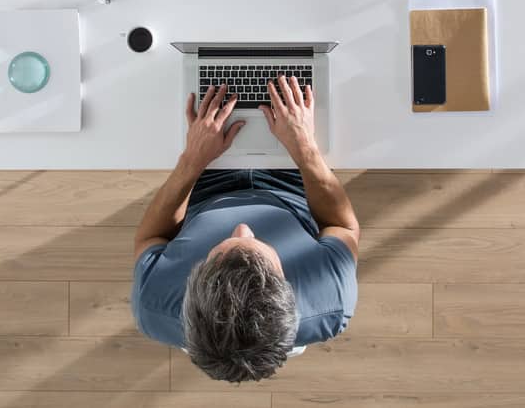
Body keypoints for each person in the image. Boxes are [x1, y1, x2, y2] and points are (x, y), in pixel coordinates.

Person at [131, 75, 360, 383]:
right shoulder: (329, 301)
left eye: (219, 249)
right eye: (259, 242)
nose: (242, 228)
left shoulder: (154, 304)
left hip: (203, 183)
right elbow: (340, 224)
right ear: (289, 285)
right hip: (295, 181)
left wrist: (193, 160)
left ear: (192, 285)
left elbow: (151, 237)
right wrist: (304, 147)